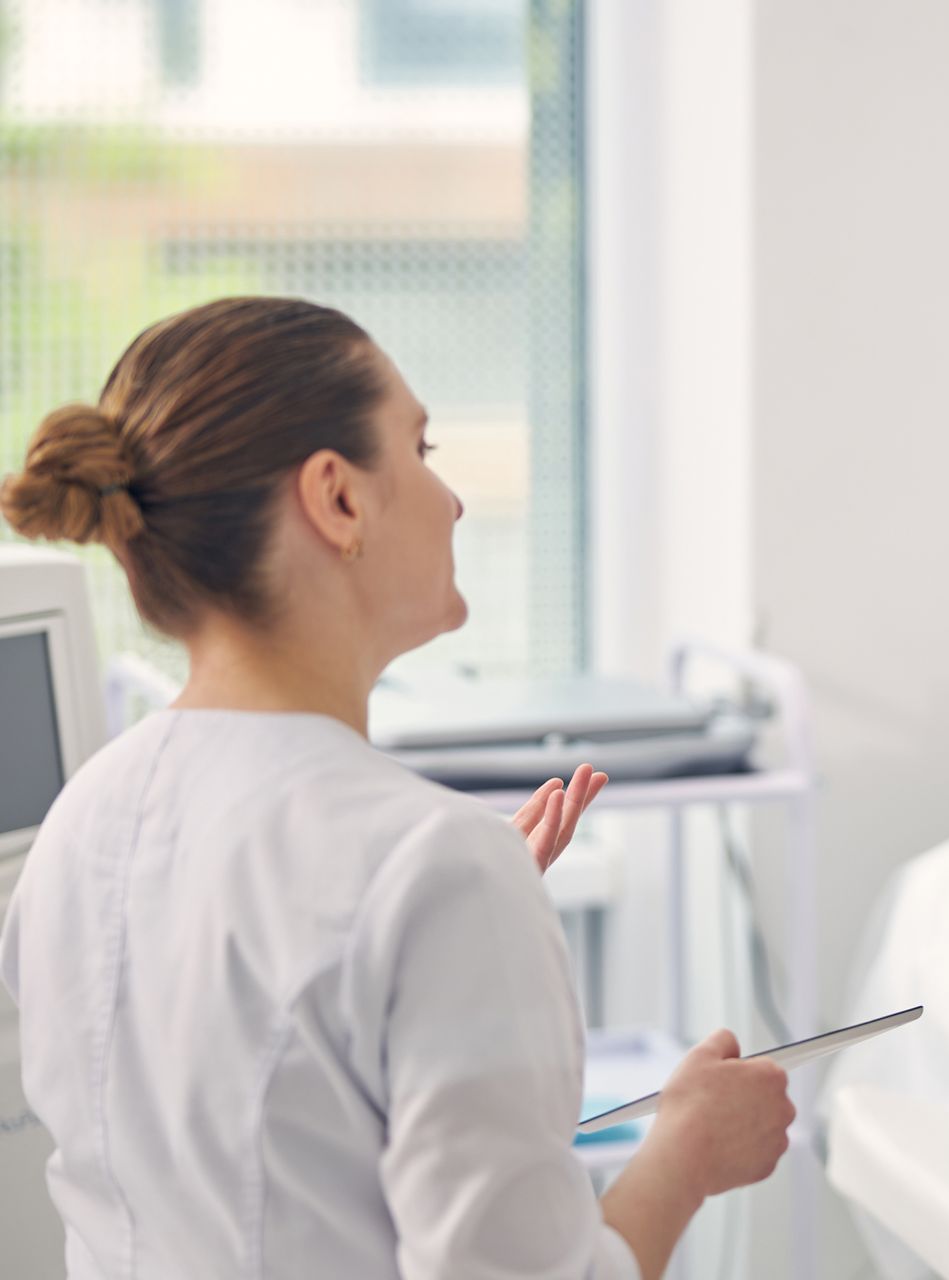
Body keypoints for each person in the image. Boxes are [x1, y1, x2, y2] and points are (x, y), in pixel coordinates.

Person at [0, 296, 794, 1279]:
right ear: (337, 498)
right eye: (421, 448)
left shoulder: (79, 821)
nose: (452, 499)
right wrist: (685, 1152)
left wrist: (452, 935)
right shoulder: (433, 868)